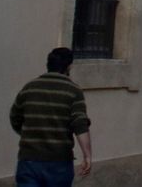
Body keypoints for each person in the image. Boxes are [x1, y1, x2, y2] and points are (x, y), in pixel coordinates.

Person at [10, 47, 92, 185]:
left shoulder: (30, 87)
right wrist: (87, 155)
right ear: (69, 66)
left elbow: (15, 117)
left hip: (29, 160)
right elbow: (80, 125)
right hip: (59, 162)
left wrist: (29, 134)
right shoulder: (73, 91)